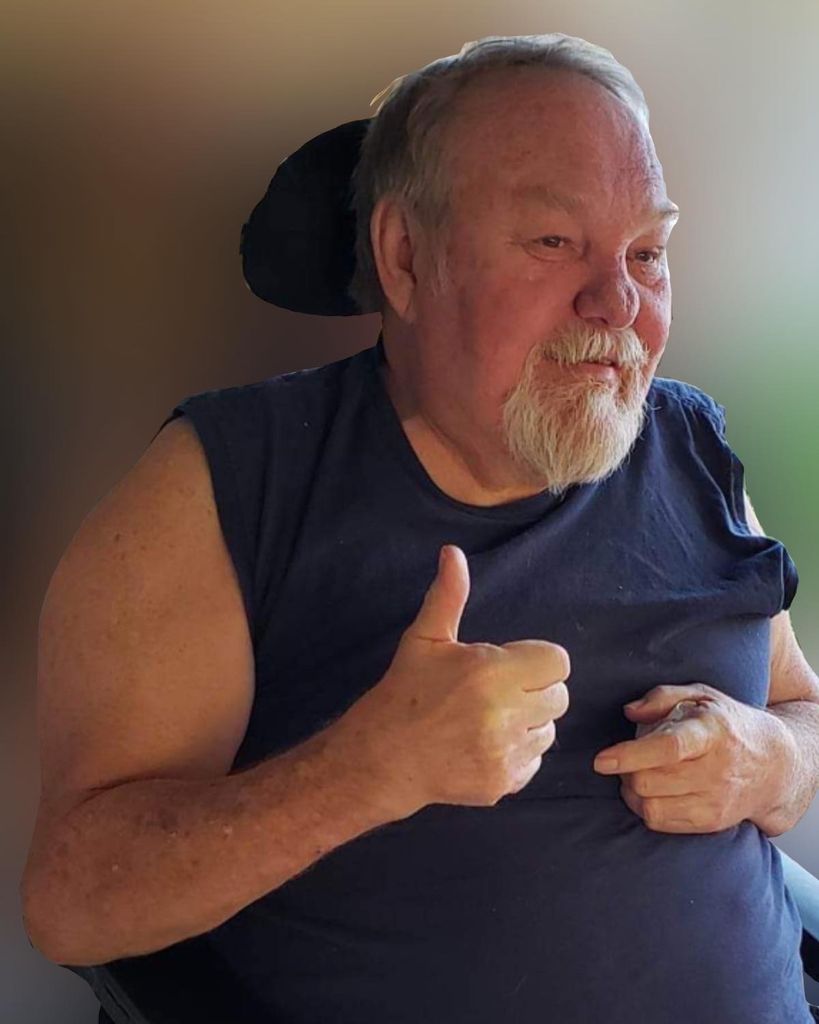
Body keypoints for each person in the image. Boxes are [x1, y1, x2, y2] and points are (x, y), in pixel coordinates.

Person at [20, 33, 819, 1023]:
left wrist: (768, 760)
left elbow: (799, 704)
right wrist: (364, 772)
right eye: (553, 242)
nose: (618, 303)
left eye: (647, 253)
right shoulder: (226, 483)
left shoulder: (687, 444)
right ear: (406, 256)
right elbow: (72, 902)